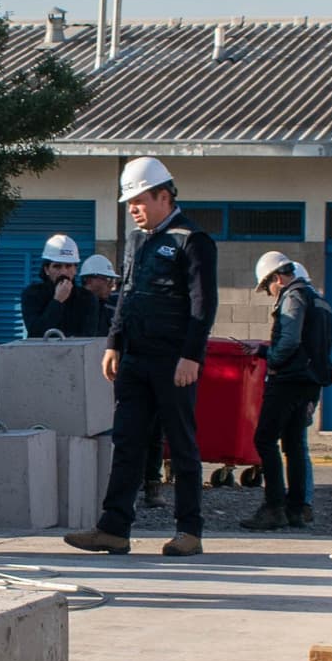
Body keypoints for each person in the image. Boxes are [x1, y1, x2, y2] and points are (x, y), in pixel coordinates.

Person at [63, 156, 215, 557]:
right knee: (128, 443)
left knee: (180, 443)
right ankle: (113, 528)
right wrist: (113, 343)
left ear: (164, 196)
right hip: (135, 359)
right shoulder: (137, 241)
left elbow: (203, 304)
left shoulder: (191, 240)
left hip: (173, 361)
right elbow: (126, 295)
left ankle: (189, 529)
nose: (133, 208)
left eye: (139, 200)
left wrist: (191, 356)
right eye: (128, 201)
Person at [250, 253, 332, 530]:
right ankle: (297, 509)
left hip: (288, 379)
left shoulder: (293, 296)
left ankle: (274, 507)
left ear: (277, 278)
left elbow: (290, 339)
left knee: (264, 439)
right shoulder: (319, 298)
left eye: (267, 287)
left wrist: (272, 360)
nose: (269, 293)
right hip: (310, 382)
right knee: (294, 443)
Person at [20, 232, 102, 339]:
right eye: (57, 266)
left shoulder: (87, 298)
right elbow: (36, 333)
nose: (63, 272)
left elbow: (88, 336)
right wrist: (57, 301)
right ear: (47, 270)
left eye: (68, 266)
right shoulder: (32, 294)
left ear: (75, 270)